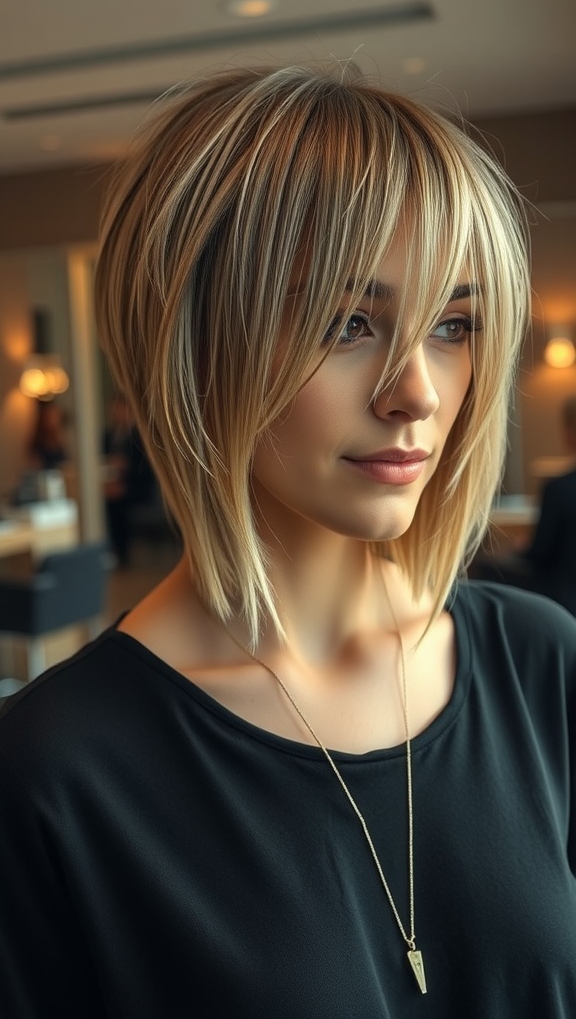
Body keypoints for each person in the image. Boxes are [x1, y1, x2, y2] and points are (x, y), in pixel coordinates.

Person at [0, 64, 574, 1018]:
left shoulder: (541, 664)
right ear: (196, 339)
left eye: (452, 324)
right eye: (349, 323)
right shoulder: (55, 775)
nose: (418, 394)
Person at [475, 393, 576, 614]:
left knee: (483, 566)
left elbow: (540, 554)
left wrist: (523, 548)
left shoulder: (558, 489)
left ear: (569, 432)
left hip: (561, 603)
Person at [102, 392, 156, 565]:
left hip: (137, 487)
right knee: (105, 499)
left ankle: (121, 553)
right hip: (114, 484)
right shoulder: (108, 435)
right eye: (114, 408)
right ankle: (109, 548)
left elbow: (147, 472)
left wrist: (126, 469)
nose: (116, 412)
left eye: (120, 408)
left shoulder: (140, 437)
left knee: (116, 502)